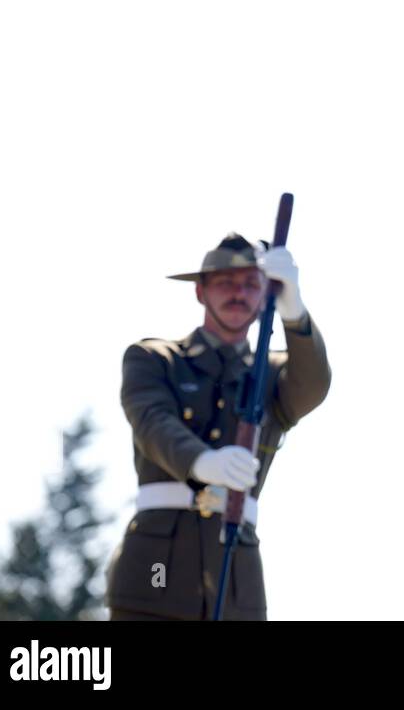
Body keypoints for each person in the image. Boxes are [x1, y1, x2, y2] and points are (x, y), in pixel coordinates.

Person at [105, 232, 331, 620]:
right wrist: (200, 461)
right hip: (157, 571)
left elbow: (313, 385)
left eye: (250, 285)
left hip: (235, 575)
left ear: (266, 297)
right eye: (225, 282)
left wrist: (295, 313)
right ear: (200, 291)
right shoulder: (155, 359)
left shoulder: (274, 375)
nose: (238, 293)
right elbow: (151, 421)